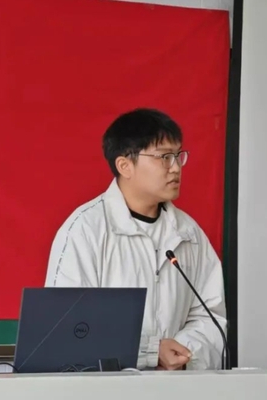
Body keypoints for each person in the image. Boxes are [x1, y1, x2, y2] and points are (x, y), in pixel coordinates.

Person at [45, 108, 227, 370]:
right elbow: (67, 327)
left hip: (176, 386)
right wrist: (151, 352)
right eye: (164, 157)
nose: (176, 168)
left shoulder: (189, 234)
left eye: (178, 155)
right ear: (125, 165)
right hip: (105, 389)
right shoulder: (86, 229)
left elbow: (210, 316)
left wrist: (183, 353)